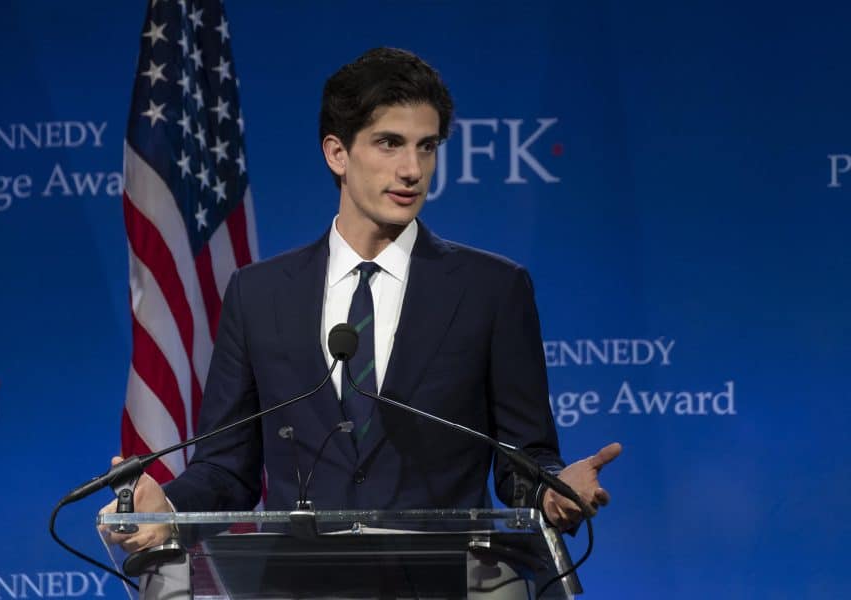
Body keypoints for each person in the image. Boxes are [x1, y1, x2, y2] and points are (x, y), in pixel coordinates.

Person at [105, 47, 621, 552]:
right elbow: (226, 467)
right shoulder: (258, 294)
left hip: (444, 583)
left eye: (427, 146)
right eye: (389, 143)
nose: (412, 169)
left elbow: (521, 461)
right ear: (337, 153)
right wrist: (167, 507)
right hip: (300, 586)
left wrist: (554, 494)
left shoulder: (492, 289)